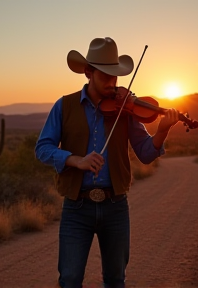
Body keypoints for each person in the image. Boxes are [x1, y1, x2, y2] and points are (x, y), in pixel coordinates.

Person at [35, 37, 179, 288]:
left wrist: (162, 131)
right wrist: (74, 160)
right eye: (106, 76)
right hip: (77, 207)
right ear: (89, 72)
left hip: (115, 206)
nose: (113, 84)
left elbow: (146, 154)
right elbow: (42, 148)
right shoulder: (64, 105)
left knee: (115, 279)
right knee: (69, 279)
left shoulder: (125, 108)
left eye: (116, 77)